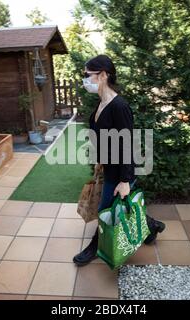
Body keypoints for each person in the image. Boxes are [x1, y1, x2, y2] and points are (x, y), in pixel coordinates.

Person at [73, 54, 165, 267]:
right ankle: (151, 229)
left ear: (103, 75)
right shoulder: (102, 104)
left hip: (120, 172)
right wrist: (100, 161)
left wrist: (124, 180)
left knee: (106, 209)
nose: (85, 79)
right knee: (125, 206)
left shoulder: (119, 106)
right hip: (109, 167)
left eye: (88, 75)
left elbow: (127, 145)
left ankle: (94, 248)